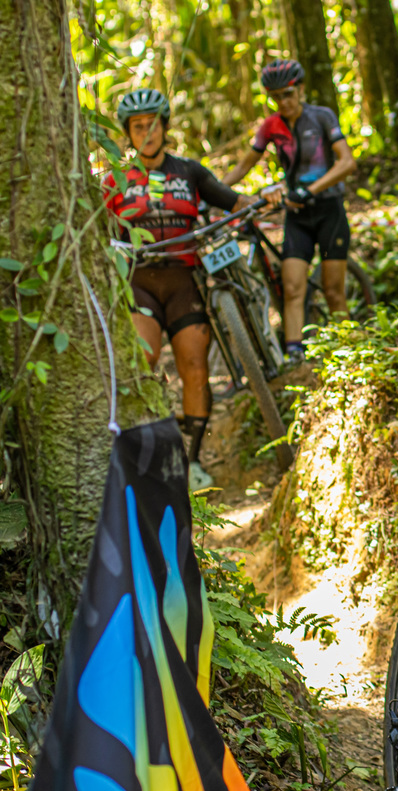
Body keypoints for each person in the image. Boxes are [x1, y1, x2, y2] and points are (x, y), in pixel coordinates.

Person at [104, 88, 278, 491]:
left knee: (195, 368)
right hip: (139, 284)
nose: (147, 132)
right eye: (138, 126)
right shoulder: (115, 179)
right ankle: (141, 450)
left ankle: (193, 462)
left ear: (165, 127)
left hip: (185, 282)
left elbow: (233, 200)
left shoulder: (189, 172)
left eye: (153, 124)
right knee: (143, 359)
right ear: (128, 133)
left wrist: (264, 198)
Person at [224, 58, 356, 367]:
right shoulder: (271, 126)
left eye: (288, 94)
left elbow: (347, 162)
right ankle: (294, 353)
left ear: (300, 90)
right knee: (293, 287)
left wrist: (311, 190)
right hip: (297, 216)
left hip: (329, 211)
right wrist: (211, 192)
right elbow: (244, 166)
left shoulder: (321, 117)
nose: (283, 102)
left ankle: (350, 352)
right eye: (276, 97)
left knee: (333, 291)